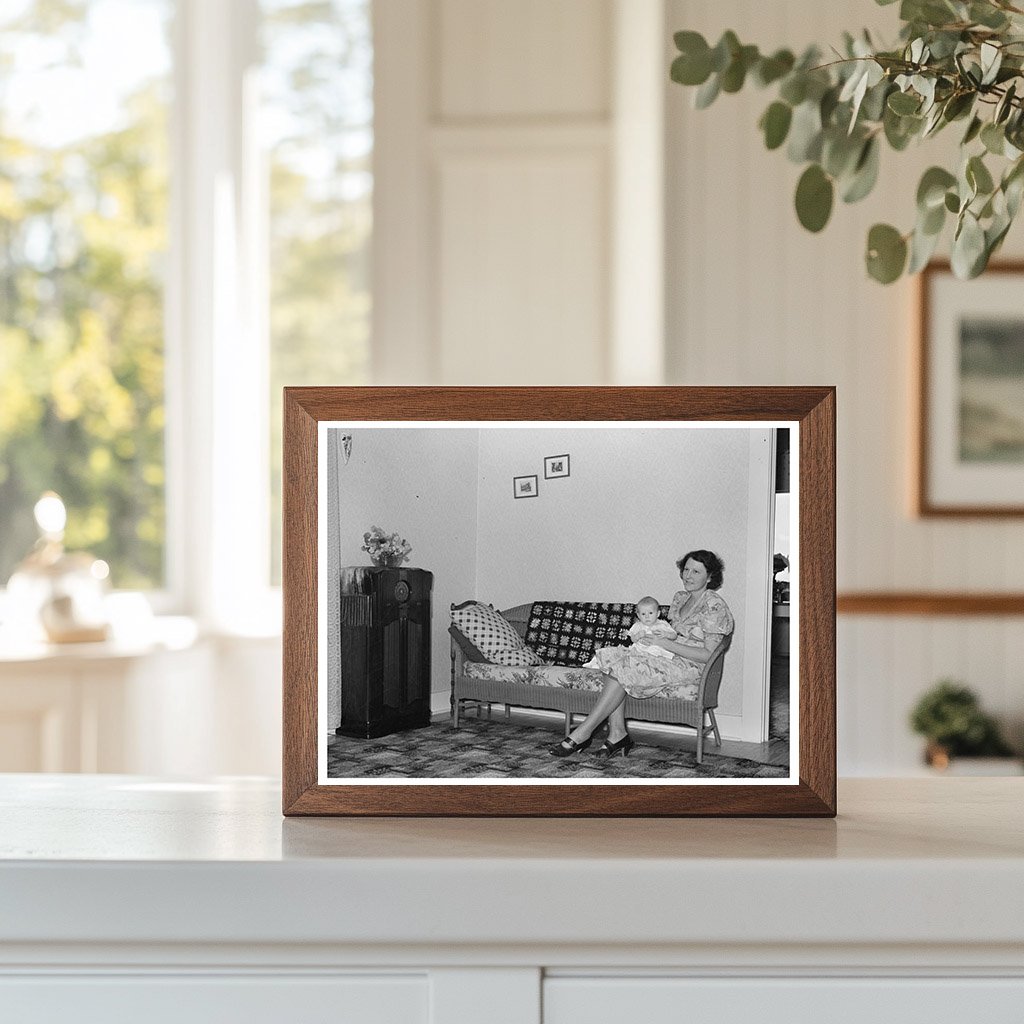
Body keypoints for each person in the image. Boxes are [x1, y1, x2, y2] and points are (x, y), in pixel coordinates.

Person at [550, 550, 735, 759]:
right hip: (666, 655)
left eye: (696, 572)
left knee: (624, 667)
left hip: (691, 665)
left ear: (710, 577)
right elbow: (668, 631)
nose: (688, 576)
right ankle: (617, 734)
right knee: (615, 658)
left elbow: (708, 655)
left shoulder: (714, 605)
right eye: (686, 570)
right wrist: (650, 638)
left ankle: (583, 733)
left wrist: (665, 644)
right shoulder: (681, 598)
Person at [584, 596, 676, 667]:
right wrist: (638, 636)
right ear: (638, 615)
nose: (647, 616)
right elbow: (632, 639)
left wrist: (666, 634)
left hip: (656, 652)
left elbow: (674, 635)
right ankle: (596, 663)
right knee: (617, 653)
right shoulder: (638, 625)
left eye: (650, 613)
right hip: (638, 651)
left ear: (658, 613)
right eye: (643, 614)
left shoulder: (663, 624)